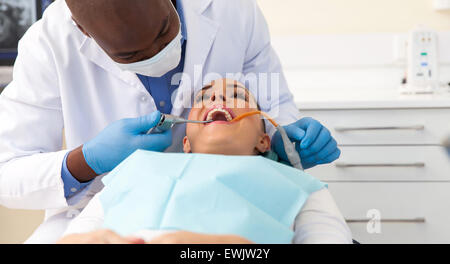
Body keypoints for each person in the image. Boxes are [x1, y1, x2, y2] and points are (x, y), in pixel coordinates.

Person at [0, 0, 340, 243]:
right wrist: (86, 160)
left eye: (164, 32)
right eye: (131, 56)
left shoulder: (234, 8)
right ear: (83, 32)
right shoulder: (48, 43)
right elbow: (8, 172)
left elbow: (276, 110)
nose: (157, 54)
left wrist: (286, 145)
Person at [58, 79, 352, 244]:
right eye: (204, 97)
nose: (218, 99)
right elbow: (75, 239)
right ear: (185, 142)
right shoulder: (132, 171)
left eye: (237, 96)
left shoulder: (301, 187)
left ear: (264, 140)